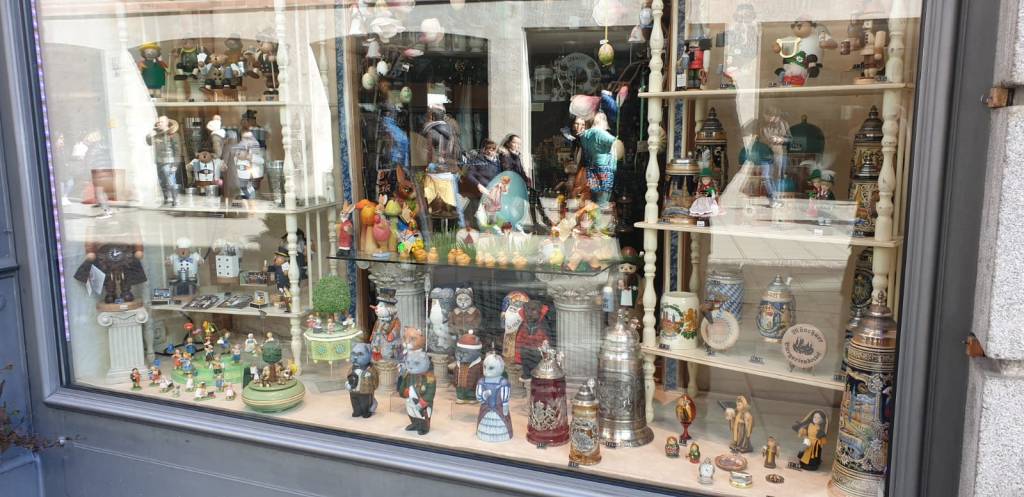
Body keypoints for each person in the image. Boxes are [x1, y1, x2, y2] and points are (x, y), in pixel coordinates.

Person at [579, 113, 617, 215]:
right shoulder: (600, 133)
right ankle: (599, 223)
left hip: (591, 168)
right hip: (604, 169)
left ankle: (592, 221)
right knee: (602, 202)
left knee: (594, 199)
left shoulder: (585, 135)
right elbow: (615, 142)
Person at [463, 139, 501, 229]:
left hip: (493, 193)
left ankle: (491, 227)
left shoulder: (497, 163)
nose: (490, 151)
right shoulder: (478, 160)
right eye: (488, 148)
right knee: (477, 217)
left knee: (491, 215)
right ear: (484, 149)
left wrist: (500, 183)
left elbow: (500, 175)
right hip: (480, 192)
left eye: (493, 149)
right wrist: (478, 185)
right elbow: (469, 175)